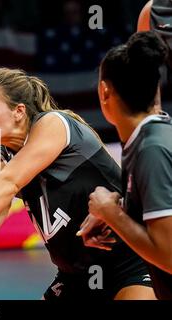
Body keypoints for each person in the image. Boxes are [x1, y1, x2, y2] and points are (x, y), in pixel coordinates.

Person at [0, 67, 155, 300]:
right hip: (75, 275)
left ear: (18, 111)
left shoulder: (54, 123)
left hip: (130, 260)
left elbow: (9, 182)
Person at [85, 31, 172, 299]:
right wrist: (117, 211)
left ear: (104, 91)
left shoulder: (152, 149)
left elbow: (168, 255)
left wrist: (111, 213)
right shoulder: (148, 139)